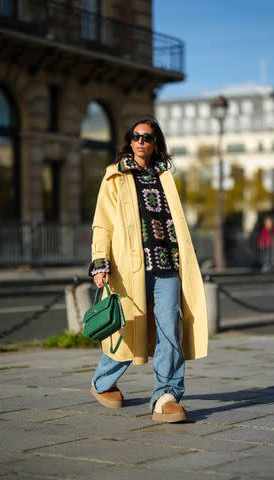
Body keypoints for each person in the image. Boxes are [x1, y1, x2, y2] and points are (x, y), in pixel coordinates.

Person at [88, 117, 208, 423]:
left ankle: (166, 396)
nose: (142, 142)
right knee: (127, 329)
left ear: (156, 144)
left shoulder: (166, 177)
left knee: (171, 329)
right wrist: (100, 262)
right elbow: (102, 224)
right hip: (130, 268)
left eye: (148, 137)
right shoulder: (114, 177)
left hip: (167, 264)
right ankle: (102, 383)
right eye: (136, 137)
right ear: (129, 141)